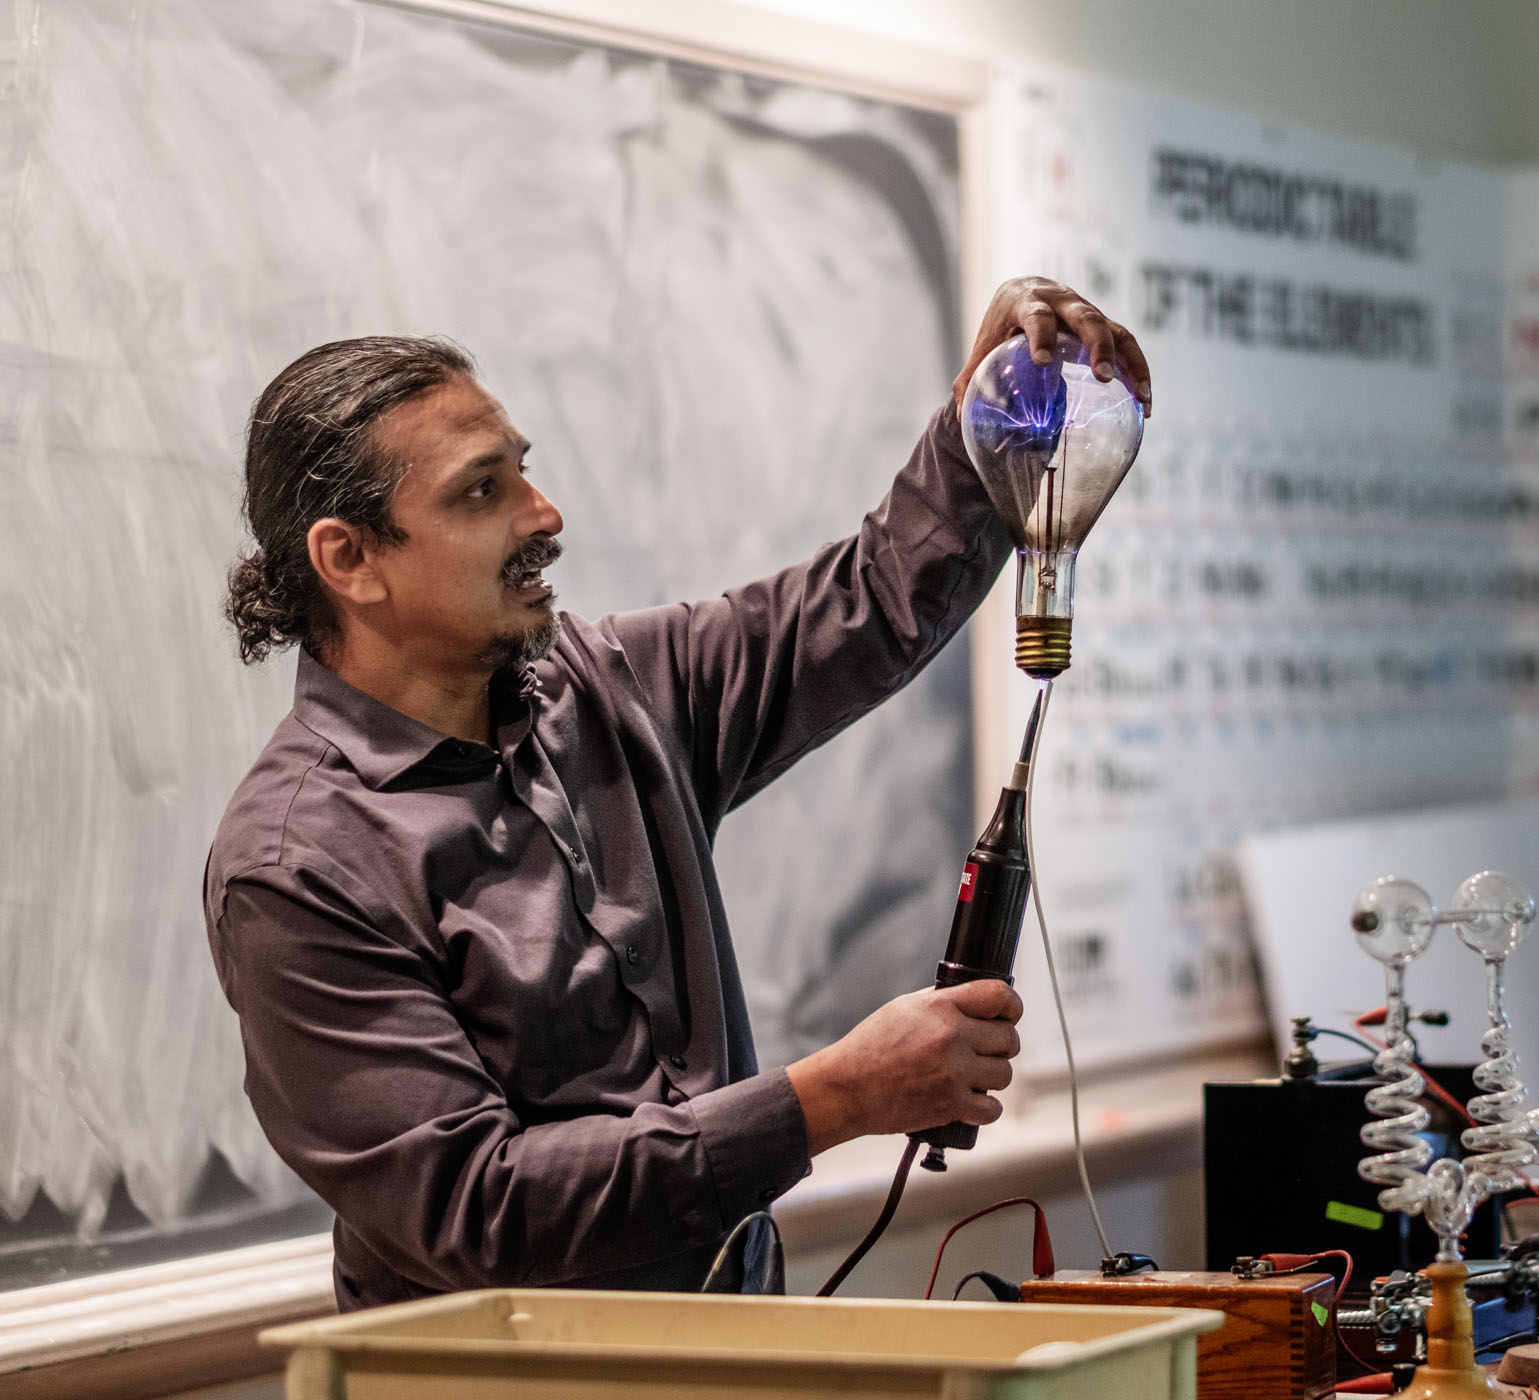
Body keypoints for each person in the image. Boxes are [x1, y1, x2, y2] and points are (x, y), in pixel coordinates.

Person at [203, 278, 1150, 1310]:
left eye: (524, 470)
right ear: (350, 559)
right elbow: (478, 1208)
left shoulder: (608, 686)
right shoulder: (296, 866)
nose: (544, 512)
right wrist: (829, 1098)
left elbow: (870, 602)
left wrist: (985, 424)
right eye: (482, 491)